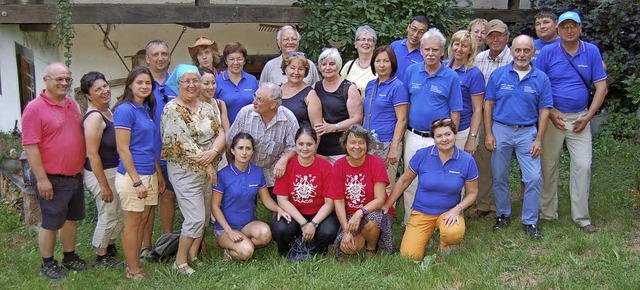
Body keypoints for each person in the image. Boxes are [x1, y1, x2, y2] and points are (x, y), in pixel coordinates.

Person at [536, 11, 608, 233]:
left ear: (580, 29)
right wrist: (550, 113)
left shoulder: (591, 51)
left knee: (583, 166)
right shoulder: (548, 52)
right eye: (565, 26)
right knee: (548, 166)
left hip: (580, 118)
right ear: (558, 29)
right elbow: (537, 84)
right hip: (552, 117)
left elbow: (601, 87)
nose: (569, 30)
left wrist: (588, 116)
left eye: (573, 26)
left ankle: (582, 217)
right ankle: (547, 213)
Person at [22, 62, 89, 280]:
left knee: (71, 219)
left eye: (67, 79)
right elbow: (30, 146)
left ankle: (69, 257)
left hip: (74, 175)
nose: (64, 83)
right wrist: (41, 179)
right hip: (51, 177)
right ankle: (47, 263)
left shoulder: (71, 104)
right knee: (51, 222)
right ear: (46, 80)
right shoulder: (34, 109)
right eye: (58, 79)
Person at [484, 35, 553, 238]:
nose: (522, 54)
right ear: (511, 51)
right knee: (499, 176)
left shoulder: (541, 78)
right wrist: (488, 133)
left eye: (526, 50)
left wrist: (539, 139)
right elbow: (488, 104)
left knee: (533, 178)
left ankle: (530, 221)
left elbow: (545, 110)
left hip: (527, 132)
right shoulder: (498, 75)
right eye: (518, 50)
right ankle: (503, 214)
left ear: (533, 52)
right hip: (501, 130)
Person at [382, 118, 478, 260]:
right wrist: (387, 204)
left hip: (449, 212)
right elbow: (403, 181)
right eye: (439, 136)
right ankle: (425, 236)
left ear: (455, 135)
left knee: (454, 234)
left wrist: (457, 209)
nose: (444, 139)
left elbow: (472, 193)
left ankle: (445, 242)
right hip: (422, 212)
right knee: (409, 256)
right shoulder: (422, 155)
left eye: (448, 134)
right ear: (434, 139)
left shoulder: (466, 160)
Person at [161, 64, 226, 274]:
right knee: (195, 217)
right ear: (177, 84)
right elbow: (182, 143)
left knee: (205, 215)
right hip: (185, 171)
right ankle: (179, 263)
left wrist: (214, 152)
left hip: (209, 168)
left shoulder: (206, 107)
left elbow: (221, 132)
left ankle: (193, 254)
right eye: (186, 81)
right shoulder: (172, 109)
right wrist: (209, 164)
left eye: (195, 80)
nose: (191, 85)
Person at [401, 28, 463, 225]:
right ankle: (411, 219)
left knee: (442, 182)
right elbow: (406, 104)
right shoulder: (411, 72)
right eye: (427, 49)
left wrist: (450, 139)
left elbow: (455, 111)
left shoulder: (451, 77)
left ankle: (444, 221)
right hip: (413, 135)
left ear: (443, 51)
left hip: (439, 138)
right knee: (411, 179)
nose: (430, 54)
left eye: (435, 50)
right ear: (420, 50)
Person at [113, 66, 166, 279]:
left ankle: (134, 261)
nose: (144, 86)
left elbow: (147, 146)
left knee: (142, 220)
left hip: (149, 172)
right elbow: (123, 149)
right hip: (132, 176)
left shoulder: (144, 109)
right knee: (133, 223)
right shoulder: (125, 110)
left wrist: (158, 174)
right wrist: (137, 182)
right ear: (130, 85)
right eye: (140, 83)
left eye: (148, 83)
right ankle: (132, 269)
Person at [212, 132, 291, 260]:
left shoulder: (257, 172)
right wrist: (229, 231)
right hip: (226, 228)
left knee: (265, 234)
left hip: (248, 225)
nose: (244, 152)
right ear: (232, 150)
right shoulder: (222, 175)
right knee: (247, 252)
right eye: (240, 148)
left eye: (248, 148)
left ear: (253, 152)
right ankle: (232, 247)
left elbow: (266, 199)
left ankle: (241, 245)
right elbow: (214, 206)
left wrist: (279, 209)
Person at [328, 125, 395, 257]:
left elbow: (380, 199)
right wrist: (347, 231)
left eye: (361, 142)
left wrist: (359, 213)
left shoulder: (376, 163)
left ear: (367, 145)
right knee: (348, 249)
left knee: (371, 222)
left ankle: (371, 247)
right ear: (345, 145)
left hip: (373, 212)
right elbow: (339, 201)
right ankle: (362, 236)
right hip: (349, 216)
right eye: (352, 142)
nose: (357, 147)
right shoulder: (339, 165)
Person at [270, 127, 338, 256]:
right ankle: (290, 248)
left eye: (309, 144)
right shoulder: (287, 166)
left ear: (316, 144)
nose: (304, 148)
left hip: (319, 213)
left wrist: (313, 223)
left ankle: (317, 247)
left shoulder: (326, 167)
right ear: (295, 145)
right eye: (300, 144)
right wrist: (303, 223)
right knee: (280, 229)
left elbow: (329, 203)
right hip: (295, 212)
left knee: (329, 231)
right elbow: (282, 200)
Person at [80, 71, 124, 268]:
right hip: (101, 173)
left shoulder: (109, 112)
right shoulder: (95, 118)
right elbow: (92, 154)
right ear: (89, 95)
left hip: (114, 169)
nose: (105, 91)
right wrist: (103, 185)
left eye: (105, 86)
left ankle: (110, 245)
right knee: (108, 212)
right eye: (98, 89)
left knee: (118, 211)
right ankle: (101, 255)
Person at [471, 19, 513, 219]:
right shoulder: (479, 58)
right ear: (486, 38)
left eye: (500, 35)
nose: (495, 39)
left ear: (507, 37)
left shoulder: (516, 57)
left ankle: (500, 205)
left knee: (501, 164)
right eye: (491, 36)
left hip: (506, 117)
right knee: (484, 162)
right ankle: (485, 203)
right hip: (483, 117)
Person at [226, 82, 299, 192]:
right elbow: (229, 143)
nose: (254, 102)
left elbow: (294, 146)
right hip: (245, 172)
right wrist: (233, 171)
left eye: (259, 99)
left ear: (273, 104)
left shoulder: (289, 119)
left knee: (276, 207)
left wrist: (284, 159)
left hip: (274, 175)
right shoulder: (245, 113)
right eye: (254, 96)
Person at [143, 40, 177, 259]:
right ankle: (145, 245)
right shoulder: (143, 84)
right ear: (148, 59)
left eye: (164, 53)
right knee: (148, 202)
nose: (160, 58)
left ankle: (167, 241)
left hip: (173, 154)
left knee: (168, 196)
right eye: (155, 54)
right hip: (149, 151)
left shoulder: (176, 83)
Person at [363, 45, 408, 203]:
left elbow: (402, 119)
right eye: (378, 61)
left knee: (385, 183)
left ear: (392, 63)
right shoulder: (371, 85)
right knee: (370, 181)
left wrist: (394, 148)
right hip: (368, 142)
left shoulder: (398, 87)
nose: (381, 65)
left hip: (387, 143)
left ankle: (385, 219)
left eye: (386, 61)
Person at [314, 48, 363, 163]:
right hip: (320, 148)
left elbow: (357, 119)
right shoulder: (316, 87)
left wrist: (333, 127)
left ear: (338, 65)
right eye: (324, 64)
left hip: (341, 149)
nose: (327, 68)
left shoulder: (348, 88)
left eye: (332, 64)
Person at [445, 30, 485, 154]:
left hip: (462, 130)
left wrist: (471, 138)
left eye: (465, 46)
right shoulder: (443, 68)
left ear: (471, 50)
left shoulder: (474, 74)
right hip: (441, 130)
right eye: (457, 44)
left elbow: (478, 109)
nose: (459, 49)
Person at [214, 42, 259, 125]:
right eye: (231, 59)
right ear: (226, 61)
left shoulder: (252, 80)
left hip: (250, 132)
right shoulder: (217, 81)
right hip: (227, 132)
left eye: (239, 59)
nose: (235, 63)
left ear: (244, 61)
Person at [198, 66, 230, 170]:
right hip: (201, 158)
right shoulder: (193, 106)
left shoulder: (220, 104)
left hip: (220, 158)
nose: (211, 87)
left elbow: (227, 132)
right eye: (206, 84)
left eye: (213, 83)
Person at [280, 53, 323, 129]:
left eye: (300, 69)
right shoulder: (277, 90)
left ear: (305, 72)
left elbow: (317, 128)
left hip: (301, 139)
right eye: (292, 68)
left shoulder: (310, 94)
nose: (296, 72)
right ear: (285, 69)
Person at [340, 25, 377, 95]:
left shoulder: (379, 65)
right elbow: (339, 88)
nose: (366, 43)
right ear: (356, 44)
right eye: (363, 39)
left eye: (369, 40)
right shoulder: (349, 66)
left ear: (374, 45)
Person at [390, 15, 429, 81]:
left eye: (421, 32)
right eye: (414, 29)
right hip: (392, 90)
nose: (416, 35)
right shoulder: (395, 46)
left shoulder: (426, 54)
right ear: (408, 27)